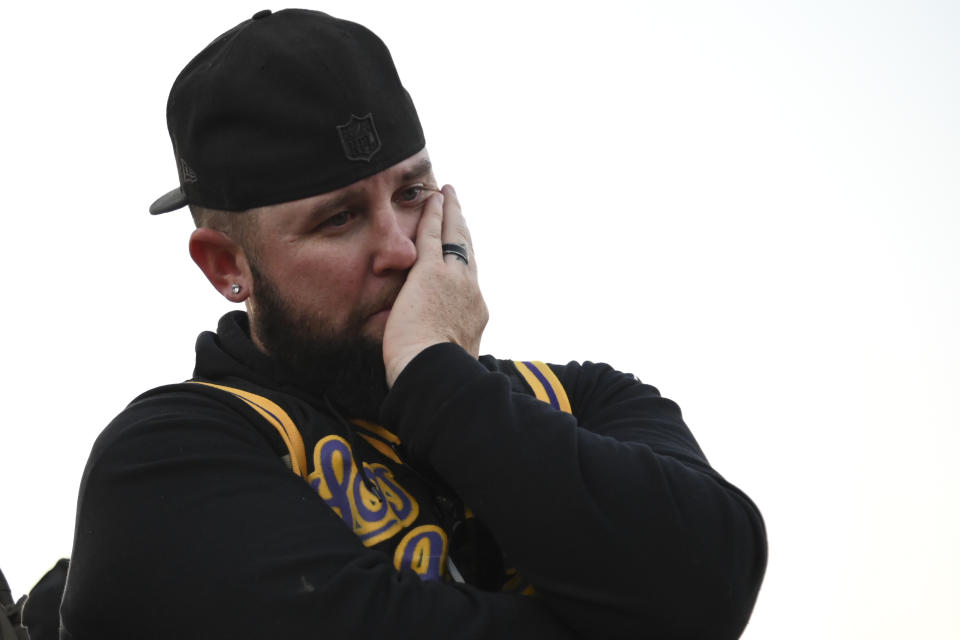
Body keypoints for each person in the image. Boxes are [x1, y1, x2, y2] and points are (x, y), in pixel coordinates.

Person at [60, 9, 766, 639]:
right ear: (225, 266)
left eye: (413, 193)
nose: (400, 248)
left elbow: (713, 585)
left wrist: (438, 376)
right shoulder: (164, 462)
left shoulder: (587, 400)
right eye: (337, 219)